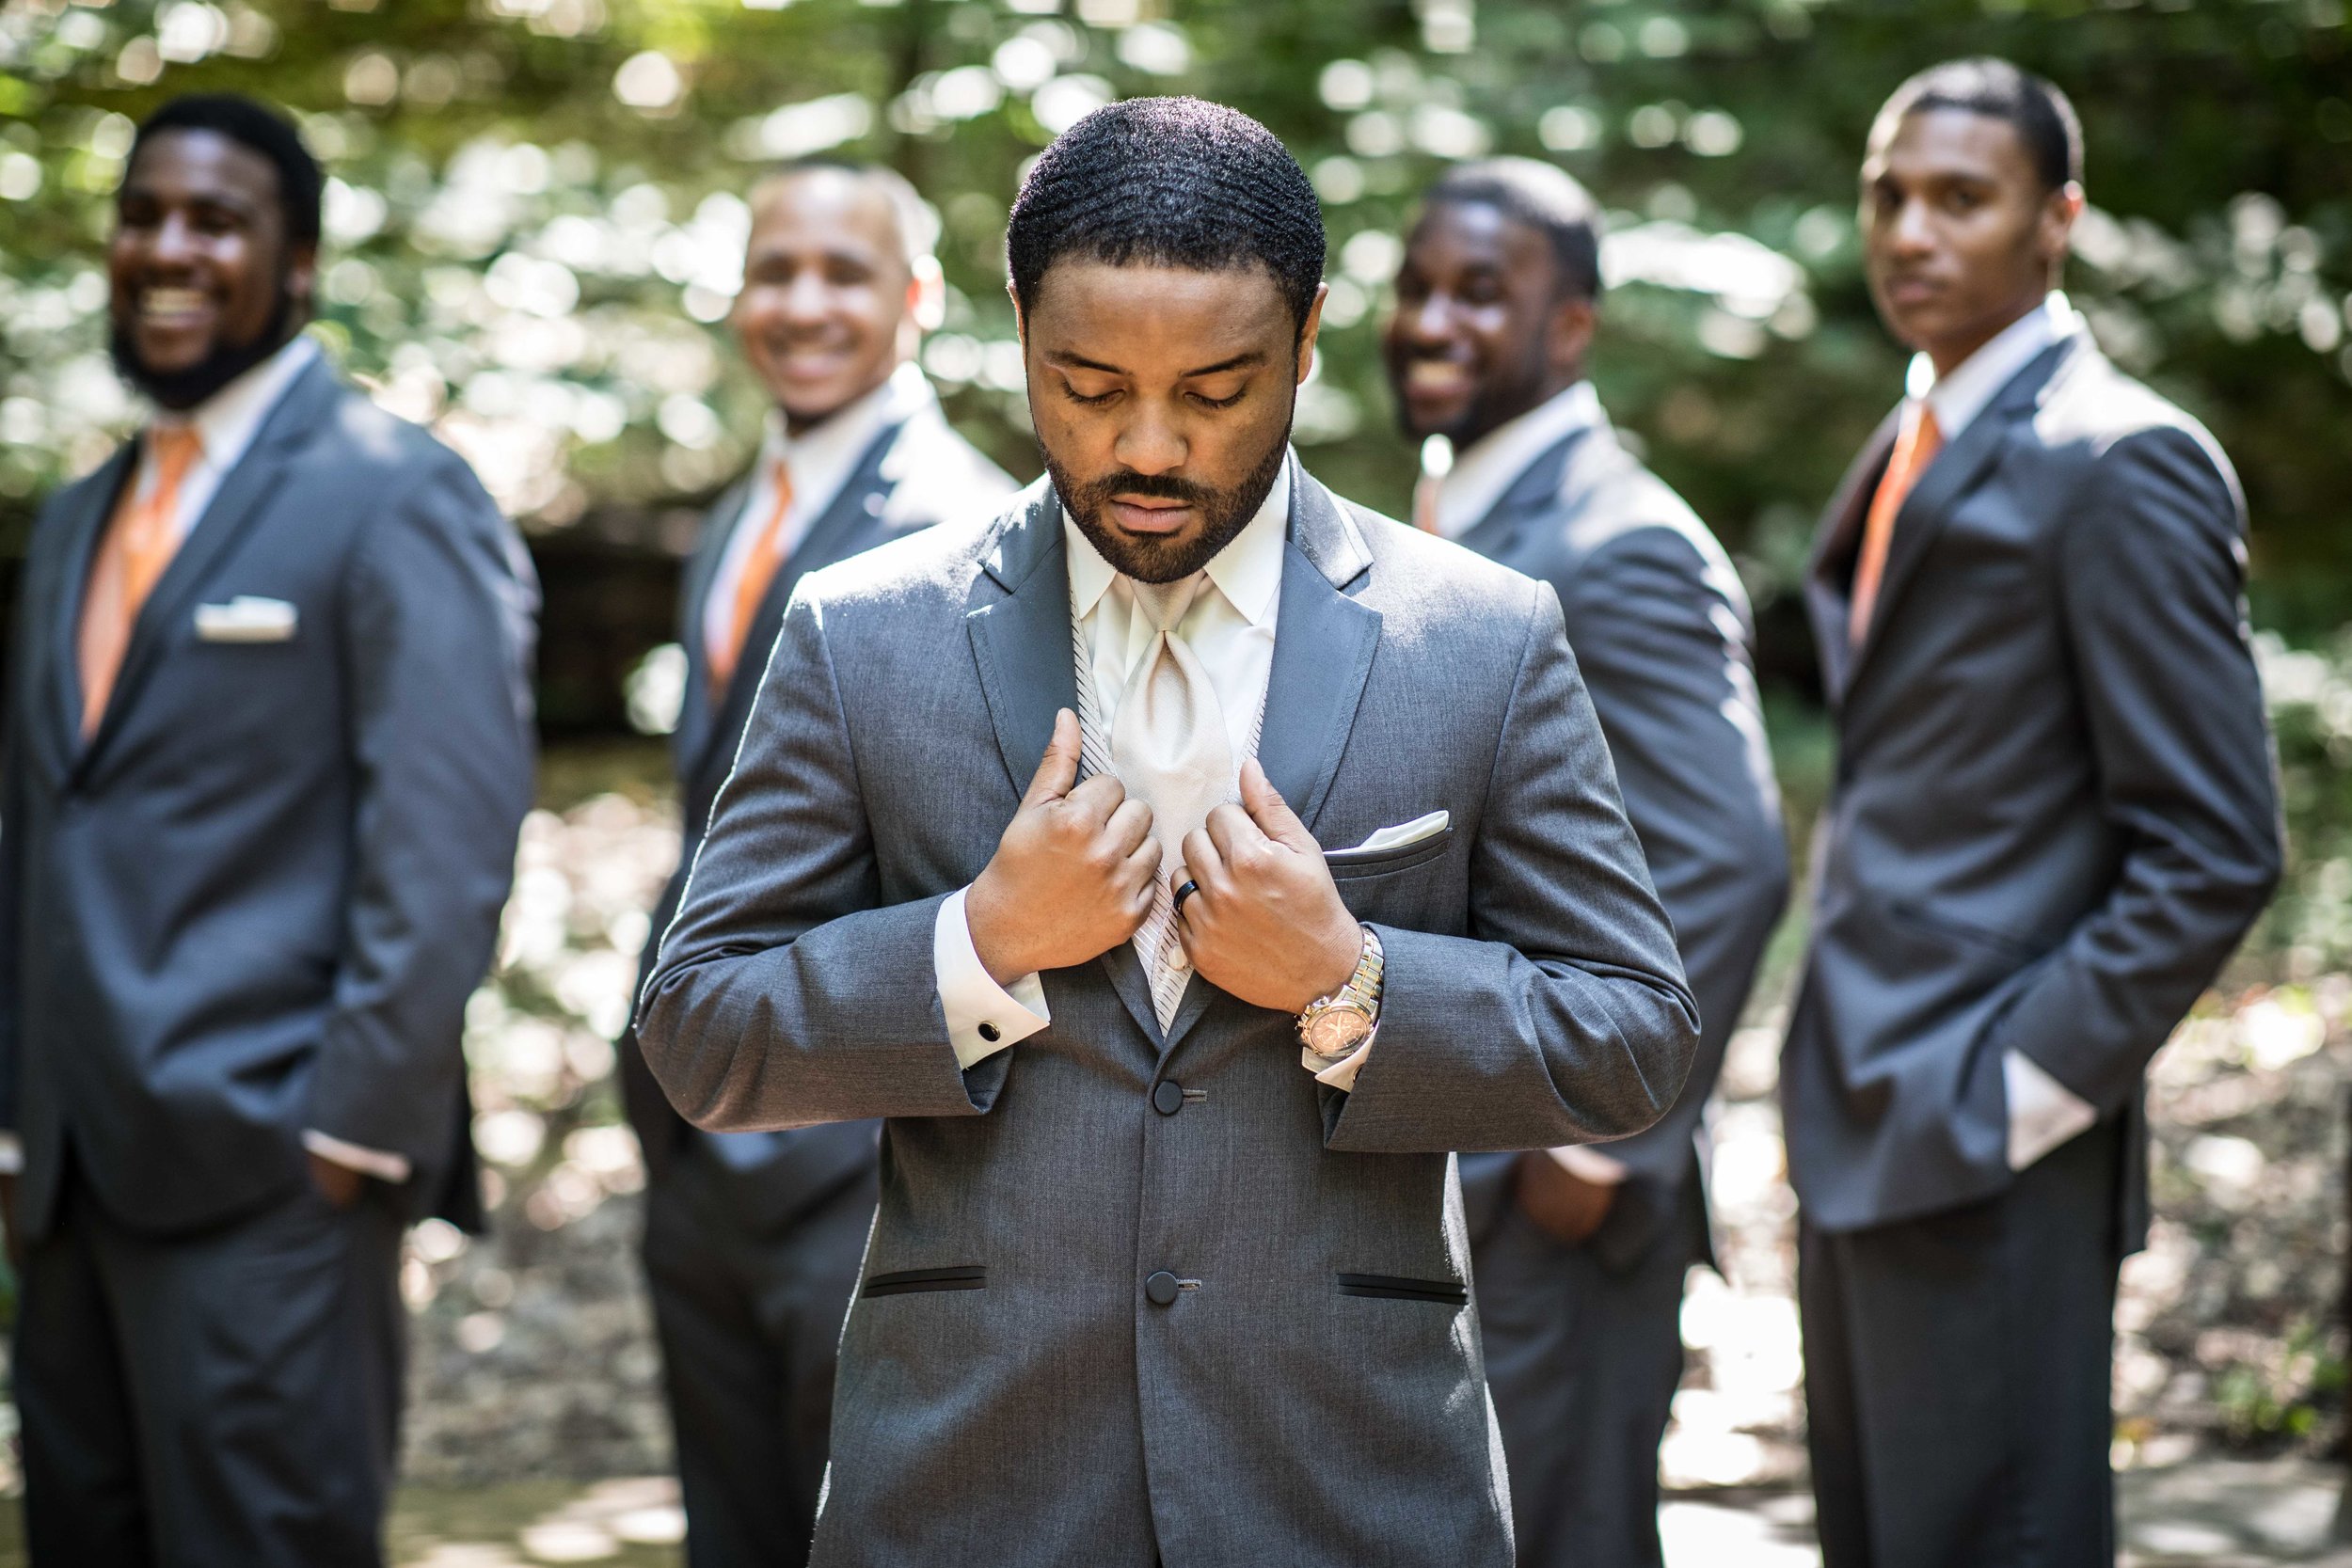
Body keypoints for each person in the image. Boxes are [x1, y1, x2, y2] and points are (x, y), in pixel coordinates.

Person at [637, 97, 1699, 1567]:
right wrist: (978, 944)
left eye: (1216, 391)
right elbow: (698, 1027)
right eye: (1084, 386)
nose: (1148, 449)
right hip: (969, 1485)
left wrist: (1350, 979)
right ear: (1015, 326)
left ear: (1312, 335)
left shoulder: (1481, 640)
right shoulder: (863, 633)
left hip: (1348, 1482)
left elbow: (1635, 1036)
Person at [0, 94, 535, 1566]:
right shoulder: (79, 516)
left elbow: (445, 850)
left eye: (215, 221)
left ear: (294, 262)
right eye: (144, 214)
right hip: (63, 1194)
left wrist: (348, 1136)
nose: (168, 247)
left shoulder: (395, 495)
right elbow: (37, 828)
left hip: (272, 1191)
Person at [1786, 59, 2281, 1565]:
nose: (1912, 232)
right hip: (1854, 1104)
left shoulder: (2120, 460)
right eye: (1889, 196)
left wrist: (2019, 1091)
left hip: (1983, 1124)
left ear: (2058, 219)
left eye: (1961, 198)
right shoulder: (1910, 436)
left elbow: (2216, 844)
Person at [1384, 159, 1788, 1567]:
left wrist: (1600, 1138)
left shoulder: (1623, 546)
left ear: (1571, 329)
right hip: (1443, 1167)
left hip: (1557, 1189)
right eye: (1417, 286)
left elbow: (1731, 859)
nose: (1434, 320)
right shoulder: (1452, 519)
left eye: (1481, 295)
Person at [618, 157, 1014, 1568]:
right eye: (774, 270)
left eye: (843, 273)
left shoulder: (965, 537)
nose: (803, 302)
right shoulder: (736, 518)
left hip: (866, 1153)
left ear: (915, 299)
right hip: (701, 1131)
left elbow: (978, 865)